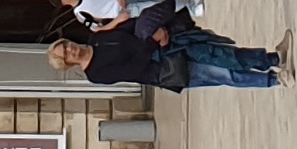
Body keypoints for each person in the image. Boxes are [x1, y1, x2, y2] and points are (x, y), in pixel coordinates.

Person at [50, 15, 281, 91]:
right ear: (68, 63)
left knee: (221, 53)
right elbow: (132, 70)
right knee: (221, 74)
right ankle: (272, 79)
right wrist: (151, 43)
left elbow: (129, 28)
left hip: (167, 46)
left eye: (67, 45)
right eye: (66, 54)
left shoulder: (97, 38)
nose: (71, 49)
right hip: (164, 68)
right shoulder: (95, 74)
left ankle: (271, 59)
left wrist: (153, 27)